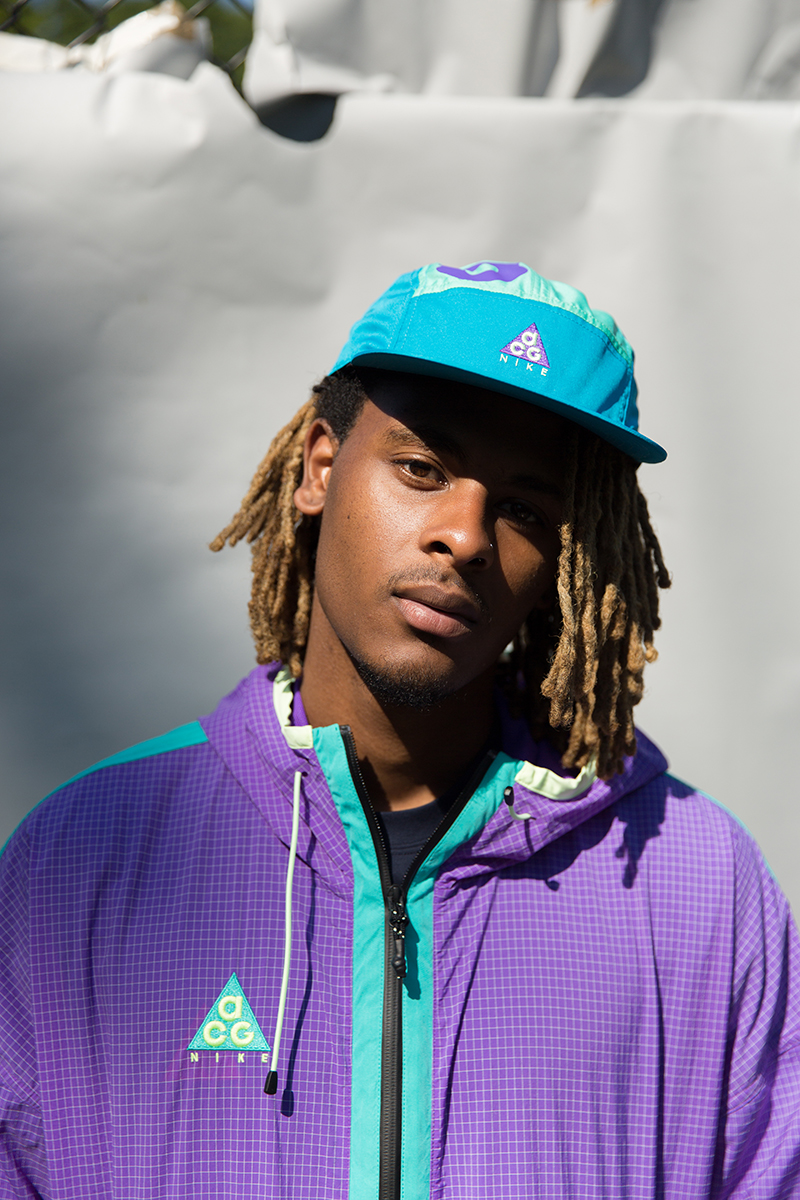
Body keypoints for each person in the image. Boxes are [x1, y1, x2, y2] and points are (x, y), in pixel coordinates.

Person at [1, 261, 798, 1200]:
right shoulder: (79, 862)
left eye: (525, 508)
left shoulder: (698, 886)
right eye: (422, 469)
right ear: (320, 467)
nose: (465, 535)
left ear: (568, 554)